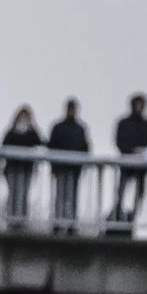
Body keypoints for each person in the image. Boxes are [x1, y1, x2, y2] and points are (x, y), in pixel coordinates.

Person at [111, 92, 147, 232]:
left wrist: (144, 152)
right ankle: (118, 218)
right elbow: (119, 142)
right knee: (122, 193)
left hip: (142, 169)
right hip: (126, 165)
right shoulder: (123, 123)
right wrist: (131, 152)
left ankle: (132, 219)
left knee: (138, 196)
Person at [45, 96, 93, 229]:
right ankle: (58, 222)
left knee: (72, 197)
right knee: (60, 195)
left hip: (74, 169)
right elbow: (52, 147)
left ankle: (71, 223)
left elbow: (85, 148)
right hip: (60, 168)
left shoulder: (80, 129)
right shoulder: (58, 127)